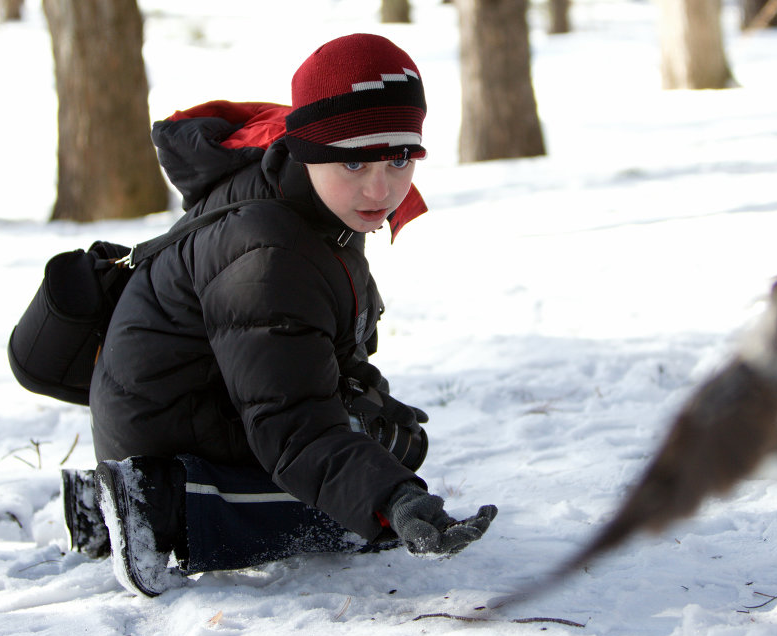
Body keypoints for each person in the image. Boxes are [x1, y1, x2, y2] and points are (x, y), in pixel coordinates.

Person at [62, 33, 497, 597]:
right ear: (312, 149)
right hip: (163, 426)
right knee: (367, 519)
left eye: (397, 159)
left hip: (213, 397)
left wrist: (369, 403)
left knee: (395, 445)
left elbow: (315, 341)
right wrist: (392, 501)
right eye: (354, 160)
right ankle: (155, 503)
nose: (381, 187)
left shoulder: (318, 204)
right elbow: (290, 427)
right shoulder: (269, 251)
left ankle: (100, 507)